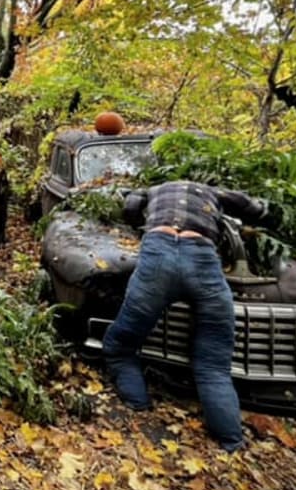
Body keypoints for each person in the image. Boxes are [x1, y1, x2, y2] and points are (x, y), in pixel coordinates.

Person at [102, 180, 273, 452]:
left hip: (157, 258)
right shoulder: (214, 192)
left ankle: (137, 405)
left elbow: (130, 206)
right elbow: (252, 207)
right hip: (202, 260)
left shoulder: (153, 190)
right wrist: (263, 212)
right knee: (213, 365)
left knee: (120, 345)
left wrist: (137, 220)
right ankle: (231, 441)